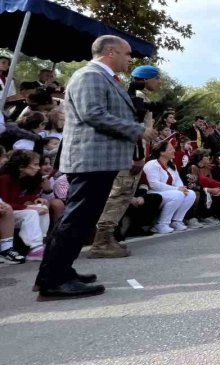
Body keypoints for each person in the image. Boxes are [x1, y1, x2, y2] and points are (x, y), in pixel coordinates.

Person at [36, 35, 154, 300]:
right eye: (126, 54)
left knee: (78, 219)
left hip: (98, 160)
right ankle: (54, 280)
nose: (129, 59)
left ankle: (56, 272)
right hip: (91, 160)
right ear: (110, 52)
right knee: (76, 220)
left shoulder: (103, 78)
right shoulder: (90, 76)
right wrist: (138, 130)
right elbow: (94, 114)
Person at [88, 64, 161, 258]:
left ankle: (107, 237)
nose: (159, 81)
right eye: (156, 77)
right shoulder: (134, 95)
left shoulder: (134, 94)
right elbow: (133, 127)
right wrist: (136, 155)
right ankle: (101, 241)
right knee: (119, 194)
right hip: (129, 154)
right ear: (146, 79)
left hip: (132, 152)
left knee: (123, 196)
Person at [144, 140, 196, 233]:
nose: (174, 151)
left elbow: (178, 182)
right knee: (178, 194)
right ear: (162, 152)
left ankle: (176, 221)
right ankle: (161, 224)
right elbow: (154, 184)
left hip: (170, 193)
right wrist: (177, 189)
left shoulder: (172, 166)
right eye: (171, 149)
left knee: (191, 194)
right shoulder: (152, 164)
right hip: (154, 193)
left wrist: (182, 189)